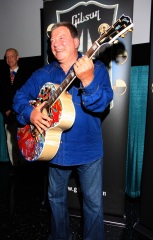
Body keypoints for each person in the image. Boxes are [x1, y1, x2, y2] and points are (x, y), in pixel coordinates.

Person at [13, 22, 113, 240]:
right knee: (55, 199)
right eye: (51, 40)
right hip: (54, 149)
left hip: (88, 150)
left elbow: (102, 104)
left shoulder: (97, 69)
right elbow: (19, 97)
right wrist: (30, 114)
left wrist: (87, 80)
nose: (55, 44)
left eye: (61, 38)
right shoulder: (43, 74)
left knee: (93, 204)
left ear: (77, 42)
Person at [0, 48, 32, 166]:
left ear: (17, 57)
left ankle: (25, 167)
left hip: (23, 115)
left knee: (24, 142)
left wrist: (14, 110)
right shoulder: (2, 76)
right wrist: (5, 110)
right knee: (11, 143)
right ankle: (14, 167)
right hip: (8, 116)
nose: (9, 59)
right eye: (7, 57)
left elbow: (29, 94)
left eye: (11, 56)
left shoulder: (27, 74)